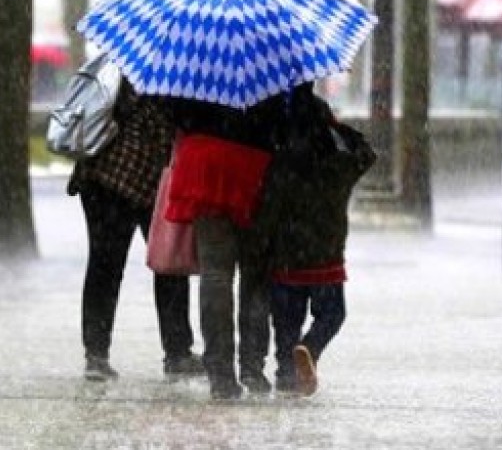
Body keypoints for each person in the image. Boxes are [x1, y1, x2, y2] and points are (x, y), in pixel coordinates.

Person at [68, 79, 203, 382]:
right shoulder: (167, 80)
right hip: (129, 180)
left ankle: (98, 354)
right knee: (163, 266)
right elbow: (167, 132)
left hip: (103, 176)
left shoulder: (129, 65)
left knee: (106, 267)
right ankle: (175, 352)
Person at [160, 94, 287, 399]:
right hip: (255, 164)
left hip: (204, 160)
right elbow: (286, 120)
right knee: (255, 275)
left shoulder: (194, 55)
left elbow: (175, 113)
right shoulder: (272, 58)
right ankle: (252, 366)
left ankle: (220, 373)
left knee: (215, 272)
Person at [255, 84, 375, 396]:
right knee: (333, 314)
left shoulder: (280, 164)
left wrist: (261, 247)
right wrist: (336, 126)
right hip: (326, 255)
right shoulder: (340, 165)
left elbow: (266, 210)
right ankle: (310, 347)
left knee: (285, 324)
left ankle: (286, 376)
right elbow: (368, 153)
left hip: (285, 257)